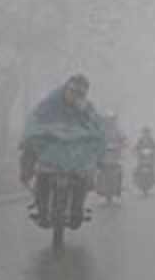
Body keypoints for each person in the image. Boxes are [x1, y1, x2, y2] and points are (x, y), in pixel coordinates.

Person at [19, 74, 107, 225]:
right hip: (50, 149)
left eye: (80, 94)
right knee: (30, 150)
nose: (74, 96)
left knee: (84, 175)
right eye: (71, 91)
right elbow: (35, 120)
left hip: (74, 154)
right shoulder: (50, 103)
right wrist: (35, 134)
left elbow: (97, 128)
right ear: (65, 89)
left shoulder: (87, 109)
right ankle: (36, 195)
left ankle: (78, 207)